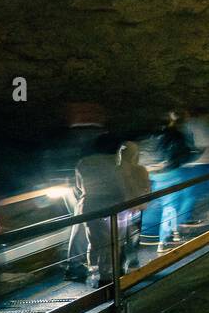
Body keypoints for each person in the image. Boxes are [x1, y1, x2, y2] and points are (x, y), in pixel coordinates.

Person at [75, 133, 125, 285]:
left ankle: (94, 270)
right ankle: (109, 275)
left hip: (90, 204)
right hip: (114, 205)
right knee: (113, 241)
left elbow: (78, 186)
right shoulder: (116, 161)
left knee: (95, 240)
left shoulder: (82, 163)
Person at [156, 111, 198, 253]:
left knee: (171, 206)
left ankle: (173, 234)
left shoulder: (161, 135)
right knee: (172, 206)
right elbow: (187, 151)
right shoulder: (179, 135)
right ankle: (164, 241)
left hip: (162, 173)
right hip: (175, 171)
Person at [117, 141, 151, 269]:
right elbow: (146, 188)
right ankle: (132, 259)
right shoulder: (140, 169)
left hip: (120, 208)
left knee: (122, 236)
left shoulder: (116, 169)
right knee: (132, 234)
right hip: (136, 207)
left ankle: (121, 263)